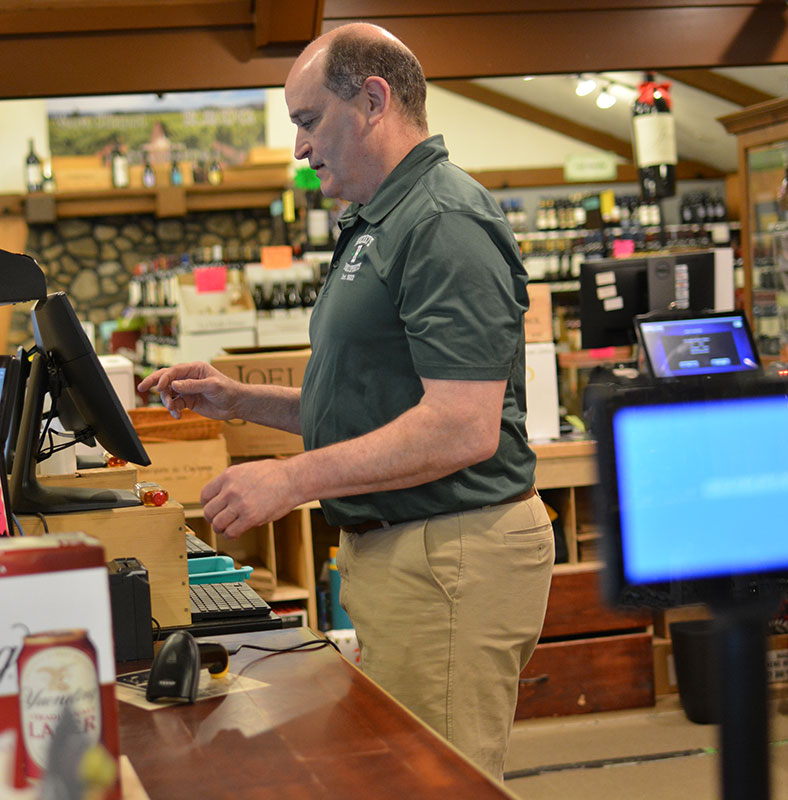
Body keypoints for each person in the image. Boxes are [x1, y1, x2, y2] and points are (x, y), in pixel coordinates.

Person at [137, 22, 554, 781]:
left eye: (307, 121)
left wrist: (291, 480)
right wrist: (237, 401)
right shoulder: (380, 220)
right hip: (413, 550)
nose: (299, 148)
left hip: (450, 552)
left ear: (371, 100)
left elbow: (462, 427)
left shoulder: (442, 221)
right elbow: (377, 404)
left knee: (441, 786)